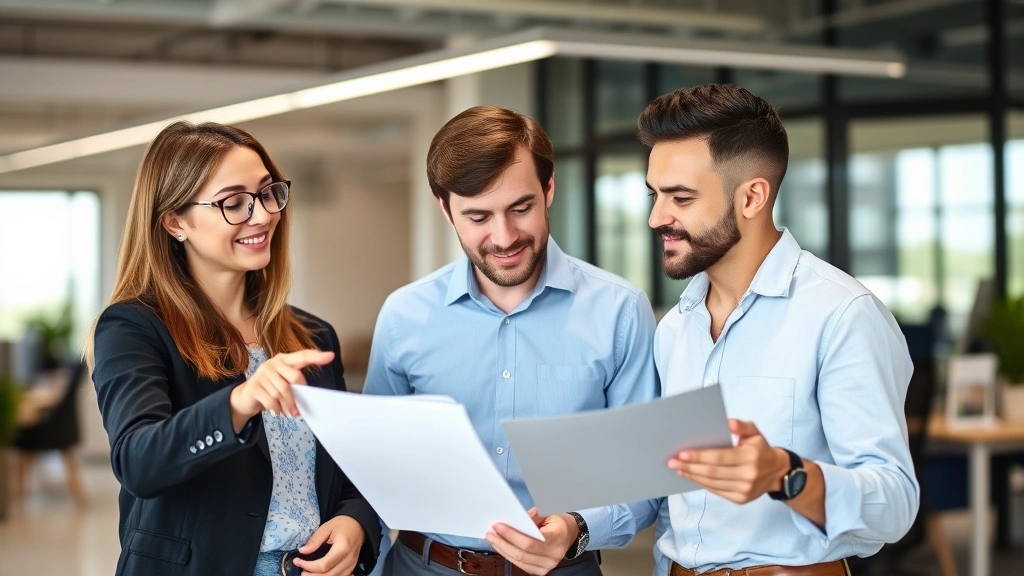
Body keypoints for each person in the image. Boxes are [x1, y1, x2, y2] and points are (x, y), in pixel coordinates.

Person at [364, 105, 658, 576]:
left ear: (549, 189)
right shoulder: (404, 316)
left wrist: (576, 527)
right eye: (478, 216)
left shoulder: (620, 312)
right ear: (445, 208)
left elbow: (641, 478)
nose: (504, 237)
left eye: (521, 209)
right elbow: (375, 474)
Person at [641, 84, 919, 576]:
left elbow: (895, 503)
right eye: (655, 194)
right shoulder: (675, 328)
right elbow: (675, 501)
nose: (656, 217)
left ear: (752, 196)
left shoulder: (841, 314)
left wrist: (785, 474)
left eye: (679, 197)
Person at [88, 121, 381, 576]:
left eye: (268, 193)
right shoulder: (133, 328)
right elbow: (139, 461)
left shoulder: (312, 335)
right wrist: (239, 402)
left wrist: (355, 521)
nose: (262, 215)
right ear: (174, 221)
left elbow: (350, 467)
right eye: (234, 203)